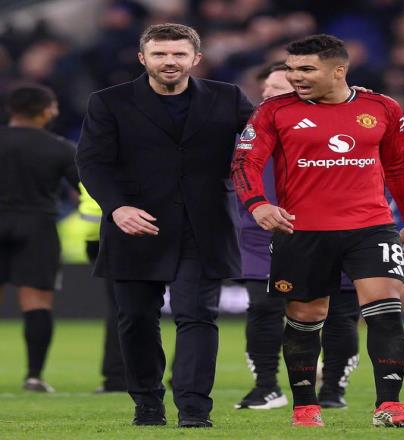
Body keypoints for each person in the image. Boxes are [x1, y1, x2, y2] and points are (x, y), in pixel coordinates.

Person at [232, 34, 404, 428]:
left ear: (339, 70)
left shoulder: (382, 107)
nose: (295, 76)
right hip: (302, 231)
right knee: (306, 318)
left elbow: (399, 166)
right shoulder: (274, 111)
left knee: (385, 311)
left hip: (371, 227)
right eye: (291, 68)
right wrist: (258, 204)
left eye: (306, 69)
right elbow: (245, 163)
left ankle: (389, 405)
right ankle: (306, 408)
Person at [76, 23, 253, 427]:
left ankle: (194, 411)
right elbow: (91, 162)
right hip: (136, 225)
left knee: (197, 316)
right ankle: (148, 404)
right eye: (159, 54)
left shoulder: (228, 97)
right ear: (143, 58)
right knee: (136, 319)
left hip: (204, 226)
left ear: (196, 58)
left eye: (178, 54)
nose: (169, 61)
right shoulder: (109, 102)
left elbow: (265, 139)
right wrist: (117, 208)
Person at [235, 62, 360, 411]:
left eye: (277, 89)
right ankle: (265, 387)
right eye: (264, 90)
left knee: (340, 311)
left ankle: (333, 388)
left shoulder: (344, 126)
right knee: (263, 306)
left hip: (333, 229)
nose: (267, 95)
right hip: (263, 233)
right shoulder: (247, 132)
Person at [0, 84, 79, 392]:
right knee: (37, 302)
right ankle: (34, 376)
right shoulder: (60, 147)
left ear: (12, 109)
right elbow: (84, 189)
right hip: (38, 225)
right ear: (46, 111)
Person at [78, 184, 126, 392]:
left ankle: (116, 377)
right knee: (190, 308)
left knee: (121, 307)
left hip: (103, 234)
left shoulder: (93, 166)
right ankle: (184, 377)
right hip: (135, 226)